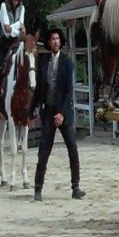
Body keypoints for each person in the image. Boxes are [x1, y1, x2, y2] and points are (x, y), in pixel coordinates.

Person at [31, 27, 85, 202]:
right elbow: (39, 89)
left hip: (64, 113)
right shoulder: (43, 62)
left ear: (60, 42)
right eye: (52, 39)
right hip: (48, 111)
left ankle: (75, 187)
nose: (55, 42)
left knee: (73, 149)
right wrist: (30, 111)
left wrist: (62, 113)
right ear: (49, 42)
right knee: (44, 151)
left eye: (57, 39)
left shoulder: (67, 63)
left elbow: (69, 91)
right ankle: (38, 188)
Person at [0, 0, 27, 101]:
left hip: (17, 43)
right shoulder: (3, 7)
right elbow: (6, 31)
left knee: (29, 64)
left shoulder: (22, 8)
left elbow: (16, 27)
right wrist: (18, 28)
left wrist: (13, 28)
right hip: (5, 43)